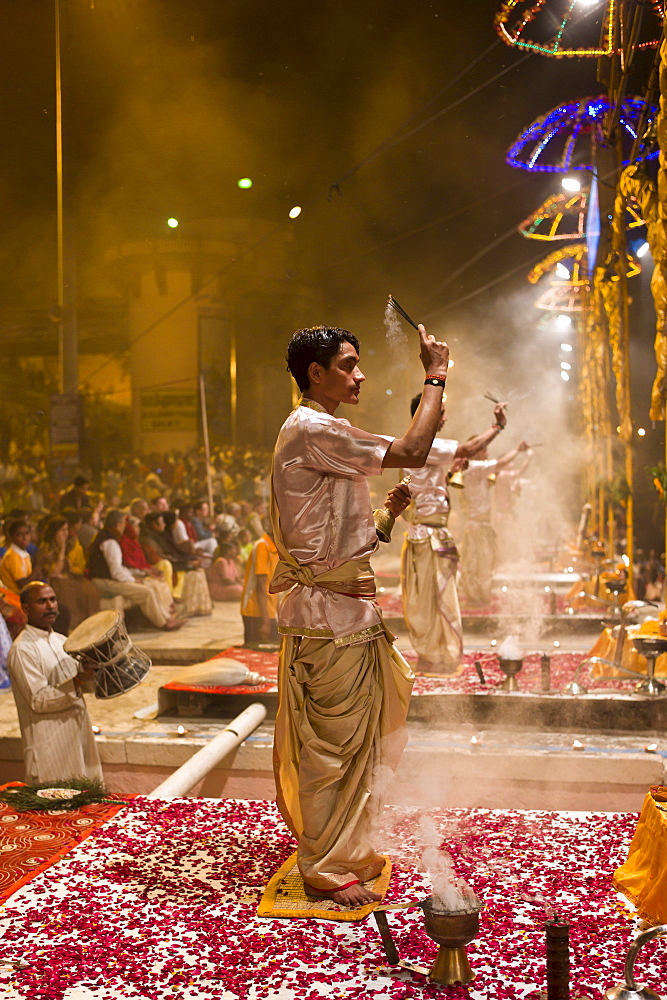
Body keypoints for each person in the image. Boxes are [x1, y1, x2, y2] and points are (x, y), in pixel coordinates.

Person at [271, 322, 449, 907]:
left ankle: (344, 850)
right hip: (326, 619)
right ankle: (322, 864)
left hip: (345, 611)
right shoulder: (312, 428)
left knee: (357, 744)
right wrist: (436, 375)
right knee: (329, 749)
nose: (360, 375)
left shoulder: (322, 432)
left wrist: (386, 518)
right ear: (314, 373)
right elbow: (414, 451)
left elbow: (332, 535)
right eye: (348, 365)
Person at [401, 397, 508, 674]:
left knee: (436, 598)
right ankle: (435, 656)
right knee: (432, 600)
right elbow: (469, 448)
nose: (445, 419)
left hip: (432, 534)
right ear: (427, 415)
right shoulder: (423, 442)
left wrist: (448, 477)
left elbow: (427, 486)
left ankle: (437, 655)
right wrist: (497, 426)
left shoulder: (422, 446)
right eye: (441, 413)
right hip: (427, 537)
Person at [7, 581, 103, 783]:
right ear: (25, 608)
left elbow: (82, 684)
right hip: (49, 747)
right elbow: (39, 700)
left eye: (53, 599)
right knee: (58, 811)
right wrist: (77, 680)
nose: (50, 606)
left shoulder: (62, 642)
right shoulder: (23, 649)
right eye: (42, 601)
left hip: (78, 738)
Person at [460, 439, 531, 606]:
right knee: (478, 565)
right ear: (475, 452)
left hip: (481, 525)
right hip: (477, 526)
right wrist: (517, 449)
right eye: (483, 451)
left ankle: (479, 597)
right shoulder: (474, 468)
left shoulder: (478, 471)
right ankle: (478, 598)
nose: (487, 454)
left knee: (481, 564)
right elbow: (501, 463)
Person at [88, 509, 182, 630]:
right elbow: (116, 572)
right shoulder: (110, 541)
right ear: (117, 524)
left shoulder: (106, 537)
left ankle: (166, 618)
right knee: (146, 592)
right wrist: (133, 580)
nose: (124, 526)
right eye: (123, 523)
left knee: (150, 585)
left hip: (108, 578)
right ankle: (163, 624)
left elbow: (120, 568)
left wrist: (134, 577)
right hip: (104, 582)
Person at [34, 515, 100, 631]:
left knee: (90, 589)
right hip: (53, 581)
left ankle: (90, 626)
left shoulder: (73, 544)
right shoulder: (45, 549)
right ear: (54, 532)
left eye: (67, 530)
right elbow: (53, 572)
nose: (65, 533)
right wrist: (62, 549)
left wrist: (68, 569)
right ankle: (71, 627)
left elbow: (75, 566)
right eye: (62, 530)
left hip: (69, 578)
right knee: (64, 588)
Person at [240, 530, 279, 642]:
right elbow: (261, 586)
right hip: (256, 611)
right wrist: (265, 622)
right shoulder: (262, 546)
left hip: (267, 610)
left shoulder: (275, 548)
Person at [0, 519, 33, 594]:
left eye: (26, 533)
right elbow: (22, 585)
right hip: (13, 598)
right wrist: (38, 569)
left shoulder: (23, 554)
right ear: (11, 537)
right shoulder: (12, 556)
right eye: (19, 534)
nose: (24, 538)